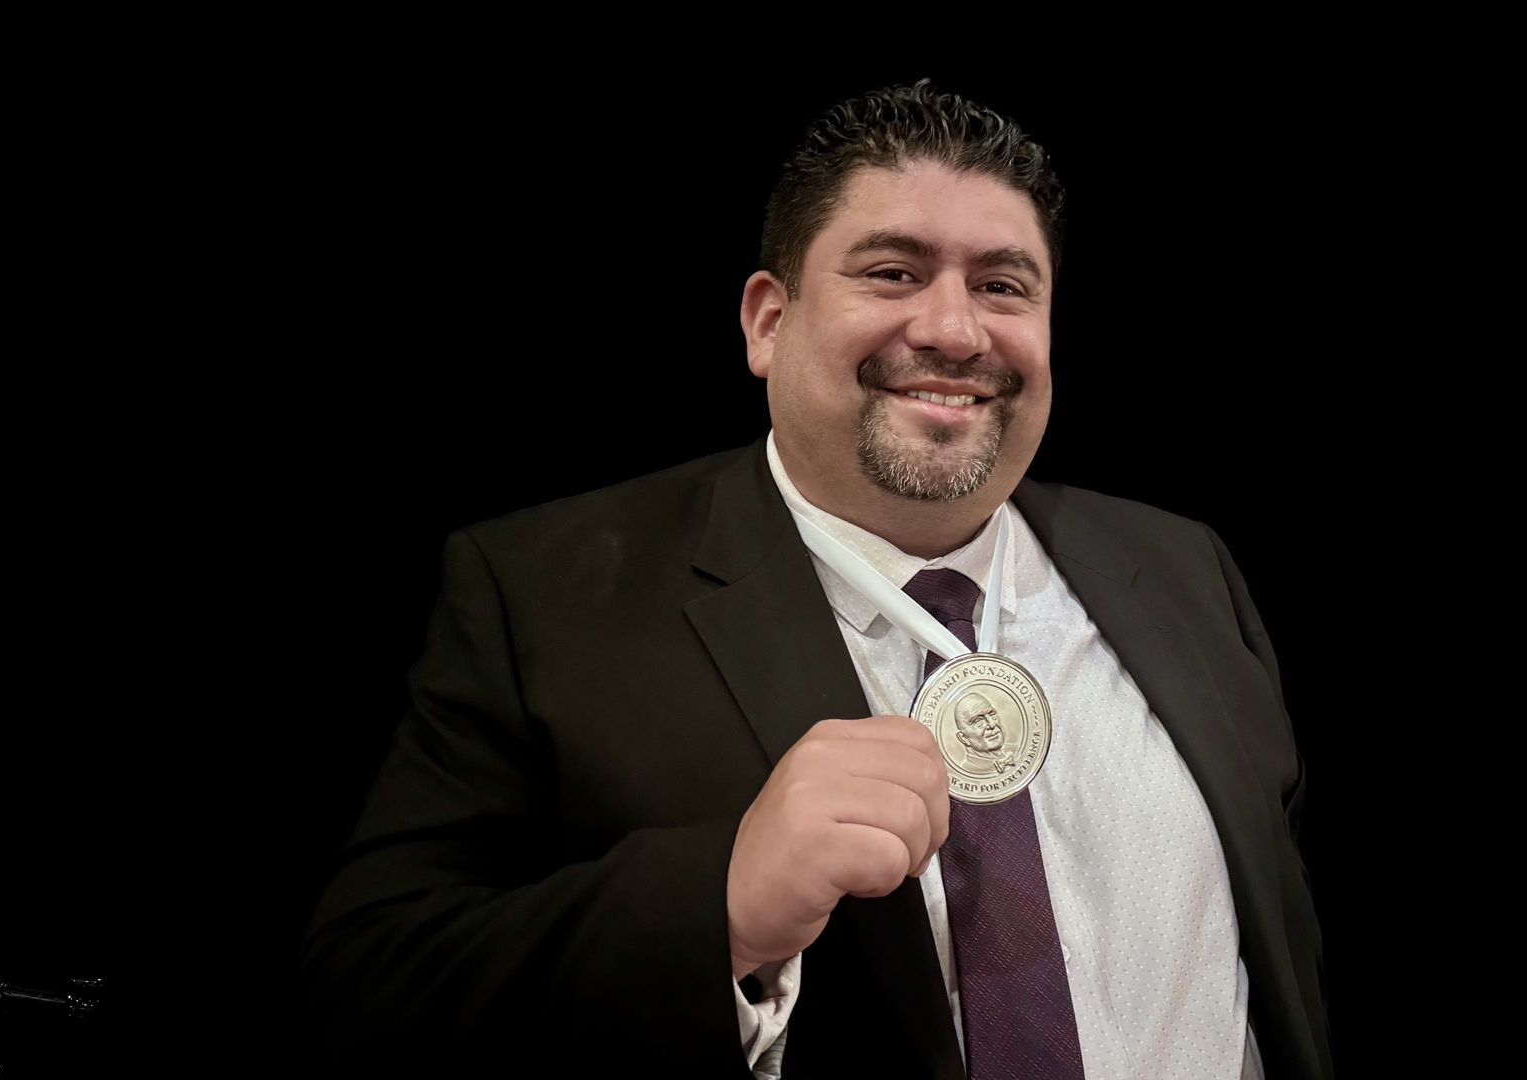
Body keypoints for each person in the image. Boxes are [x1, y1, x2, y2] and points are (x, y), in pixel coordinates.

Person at [301, 78, 1331, 1079]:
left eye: (1003, 286)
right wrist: (723, 908)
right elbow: (365, 989)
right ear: (766, 321)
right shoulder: (543, 596)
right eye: (892, 272)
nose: (954, 330)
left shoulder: (1187, 569)